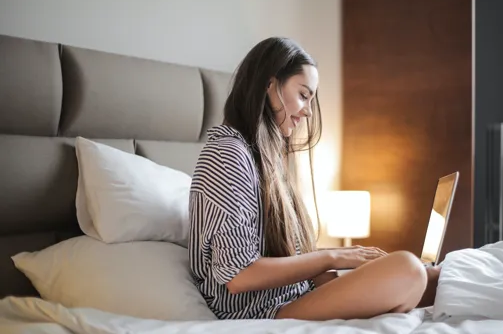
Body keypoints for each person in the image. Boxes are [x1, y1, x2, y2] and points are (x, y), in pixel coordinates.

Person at [188, 37, 441, 321]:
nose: (308, 111)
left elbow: (284, 254)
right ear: (269, 85)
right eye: (303, 95)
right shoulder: (226, 154)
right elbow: (238, 276)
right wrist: (333, 257)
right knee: (408, 269)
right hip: (260, 312)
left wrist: (349, 258)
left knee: (435, 276)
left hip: (295, 295)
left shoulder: (264, 156)